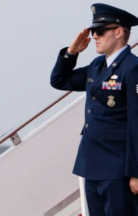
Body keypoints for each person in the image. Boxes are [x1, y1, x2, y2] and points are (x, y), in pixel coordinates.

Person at [49, 3, 138, 215]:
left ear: (118, 32)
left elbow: (136, 123)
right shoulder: (97, 65)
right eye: (93, 31)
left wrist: (135, 172)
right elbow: (59, 80)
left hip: (117, 168)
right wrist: (71, 53)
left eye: (99, 31)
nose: (94, 36)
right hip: (91, 164)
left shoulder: (132, 68)